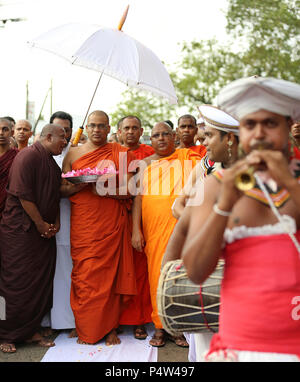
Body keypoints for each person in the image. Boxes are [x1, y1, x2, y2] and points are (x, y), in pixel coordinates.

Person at [182, 76, 300, 361]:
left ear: (288, 128)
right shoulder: (217, 184)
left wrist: (290, 183)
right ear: (240, 133)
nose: (259, 133)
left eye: (270, 123)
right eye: (250, 125)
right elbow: (195, 272)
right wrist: (223, 206)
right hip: (238, 345)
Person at [161, 105, 240, 361]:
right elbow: (177, 206)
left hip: (245, 271)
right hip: (208, 262)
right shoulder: (206, 168)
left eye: (209, 136)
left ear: (230, 139)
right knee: (206, 340)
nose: (201, 140)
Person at [61, 110, 137, 346]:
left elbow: (132, 189)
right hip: (84, 223)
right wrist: (79, 186)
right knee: (84, 274)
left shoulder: (121, 153)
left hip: (111, 221)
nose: (96, 130)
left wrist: (103, 188)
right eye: (92, 125)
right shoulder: (73, 153)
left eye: (101, 126)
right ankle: (85, 324)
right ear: (87, 127)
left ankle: (110, 327)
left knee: (110, 277)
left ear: (109, 128)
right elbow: (61, 188)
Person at [131, 121, 202, 347]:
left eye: (165, 134)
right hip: (153, 229)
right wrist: (135, 230)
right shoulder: (144, 164)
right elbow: (138, 199)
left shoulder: (187, 159)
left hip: (181, 228)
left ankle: (177, 328)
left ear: (174, 136)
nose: (161, 138)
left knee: (179, 277)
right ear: (149, 140)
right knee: (157, 276)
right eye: (155, 136)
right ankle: (160, 327)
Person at [0, 124, 66, 353]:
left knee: (38, 282)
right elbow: (22, 194)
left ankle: (30, 330)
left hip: (42, 231)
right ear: (48, 136)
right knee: (13, 283)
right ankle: (5, 333)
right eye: (62, 138)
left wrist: (55, 222)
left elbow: (55, 192)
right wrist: (40, 223)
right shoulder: (27, 156)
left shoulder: (50, 160)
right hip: (21, 230)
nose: (65, 143)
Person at [117, 115, 153, 339]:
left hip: (144, 217)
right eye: (126, 128)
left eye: (134, 128)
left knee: (140, 271)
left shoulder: (150, 153)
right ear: (119, 132)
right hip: (114, 218)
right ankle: (117, 318)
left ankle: (139, 319)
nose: (130, 132)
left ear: (141, 132)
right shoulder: (111, 153)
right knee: (118, 270)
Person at [48, 111, 76, 332]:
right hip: (45, 220)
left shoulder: (76, 153)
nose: (63, 133)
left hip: (71, 220)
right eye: (58, 129)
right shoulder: (41, 154)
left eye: (66, 129)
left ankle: (69, 320)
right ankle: (47, 321)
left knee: (68, 268)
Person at [0, 118, 18, 218]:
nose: (1, 133)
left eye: (5, 129)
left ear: (12, 132)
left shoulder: (18, 156)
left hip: (10, 210)